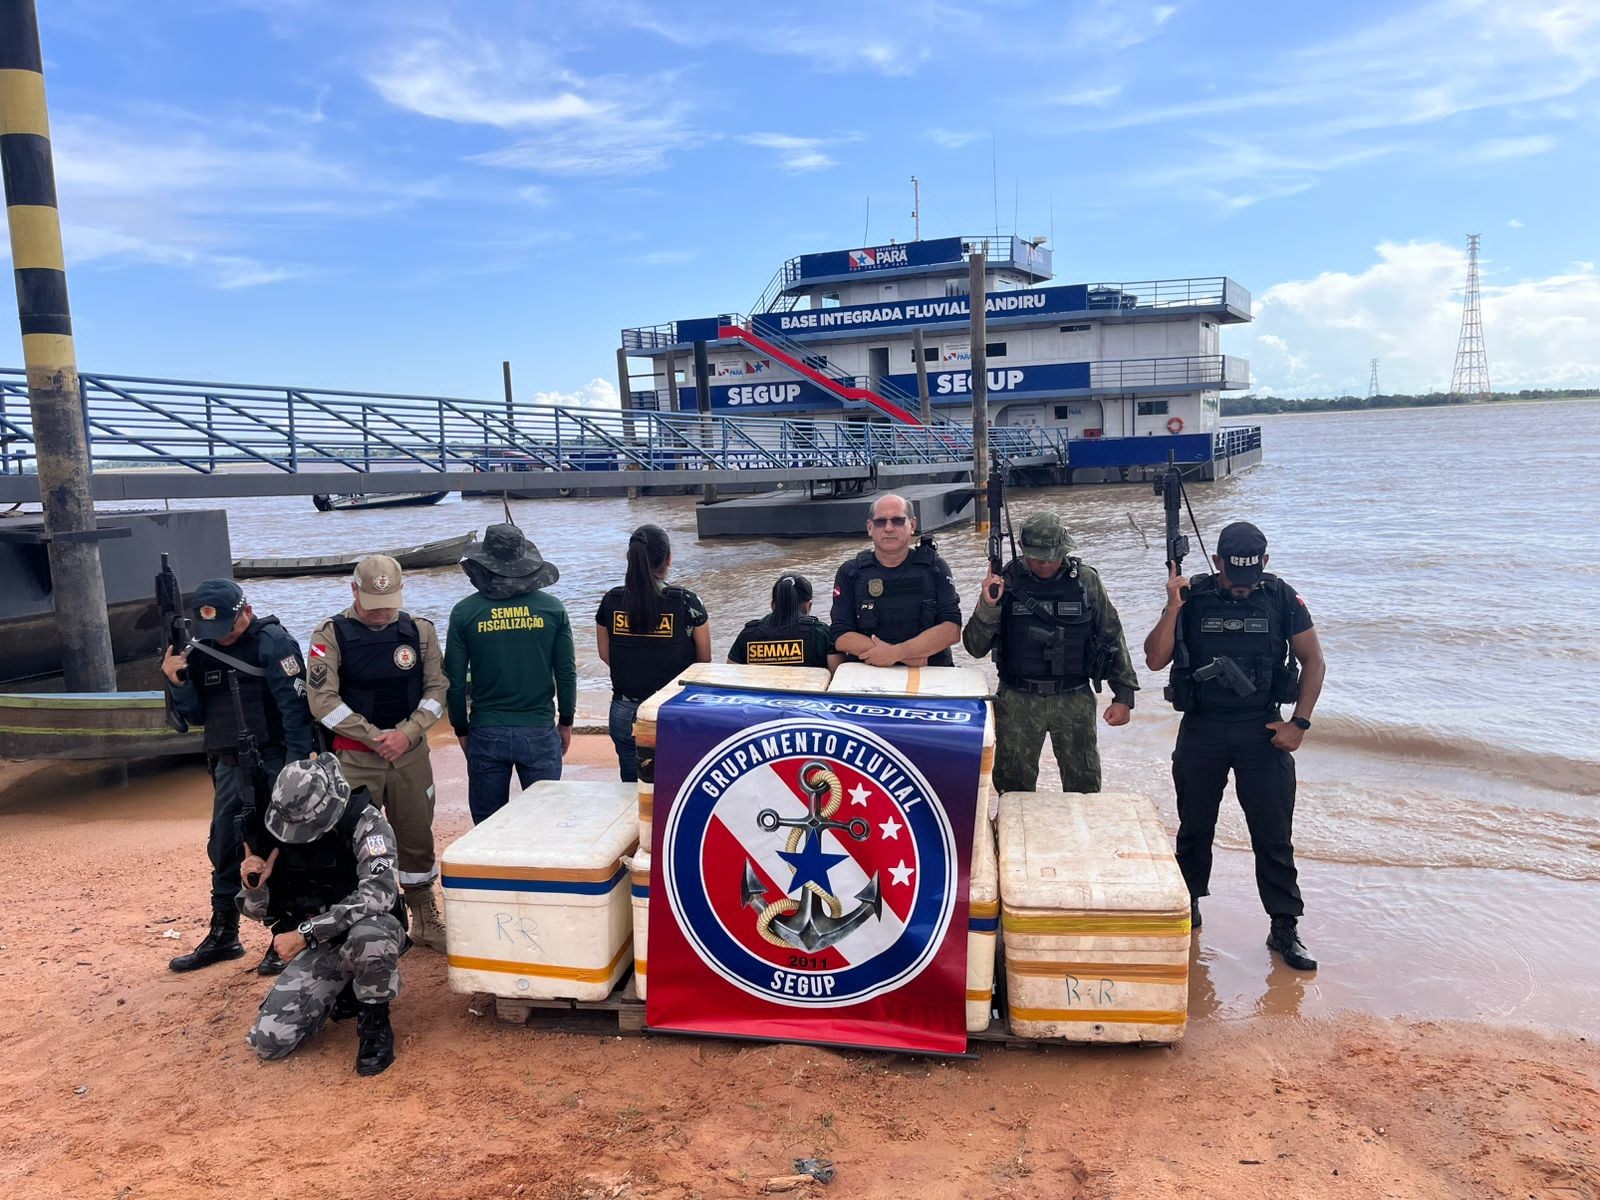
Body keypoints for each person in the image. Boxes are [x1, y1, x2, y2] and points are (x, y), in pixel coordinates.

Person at [1143, 520, 1326, 972]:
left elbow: (1313, 660)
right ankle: (1187, 906)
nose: (1242, 586)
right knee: (1194, 828)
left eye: (1251, 575)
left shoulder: (1281, 597)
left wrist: (1299, 724)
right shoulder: (1193, 596)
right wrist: (1172, 606)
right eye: (1233, 575)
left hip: (1261, 731)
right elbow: (1155, 658)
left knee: (1273, 834)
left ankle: (1284, 926)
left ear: (1264, 562)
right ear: (1217, 562)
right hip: (1202, 729)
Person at [161, 578, 313, 976]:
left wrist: (294, 774)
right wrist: (177, 682)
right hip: (227, 765)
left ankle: (284, 935)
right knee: (225, 847)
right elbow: (195, 716)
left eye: (228, 627)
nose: (223, 636)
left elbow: (296, 713)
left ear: (247, 611)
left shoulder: (273, 643)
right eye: (214, 629)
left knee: (280, 846)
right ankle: (223, 934)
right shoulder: (202, 648)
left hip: (273, 760)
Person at [306, 556, 449, 951]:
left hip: (409, 756)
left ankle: (424, 918)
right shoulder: (329, 635)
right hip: (354, 759)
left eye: (389, 604)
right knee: (352, 841)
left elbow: (437, 690)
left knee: (416, 836)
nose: (382, 613)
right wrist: (373, 737)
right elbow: (323, 702)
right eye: (373, 604)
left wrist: (408, 732)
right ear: (354, 590)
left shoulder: (419, 631)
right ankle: (359, 922)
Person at [238, 755, 407, 1077]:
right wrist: (254, 887)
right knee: (270, 1041)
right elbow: (255, 913)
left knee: (370, 938)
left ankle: (375, 1021)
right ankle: (343, 988)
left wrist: (306, 933)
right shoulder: (276, 831)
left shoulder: (368, 824)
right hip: (320, 944)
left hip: (365, 928)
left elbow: (379, 895)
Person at [962, 511, 1139, 793]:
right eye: (1037, 557)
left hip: (1074, 698)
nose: (1044, 563)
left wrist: (1124, 696)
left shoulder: (1085, 581)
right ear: (1022, 548)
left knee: (1084, 787)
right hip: (1018, 700)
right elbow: (974, 647)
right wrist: (989, 606)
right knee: (1012, 788)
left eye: (1051, 557)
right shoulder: (1005, 582)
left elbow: (1111, 634)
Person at [445, 524, 575, 824]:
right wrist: (566, 721)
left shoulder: (464, 612)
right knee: (545, 824)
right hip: (539, 730)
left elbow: (454, 681)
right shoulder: (552, 609)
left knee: (488, 827)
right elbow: (566, 673)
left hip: (486, 731)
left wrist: (461, 728)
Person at [595, 523, 710, 782]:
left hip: (625, 710)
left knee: (631, 789)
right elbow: (703, 662)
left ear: (630, 559)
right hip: (673, 710)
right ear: (668, 559)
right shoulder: (687, 602)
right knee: (676, 786)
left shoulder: (611, 601)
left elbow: (605, 653)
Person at [830, 493, 961, 668]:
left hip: (930, 672)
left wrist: (898, 653)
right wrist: (898, 656)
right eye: (880, 522)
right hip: (870, 672)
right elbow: (840, 635)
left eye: (898, 521)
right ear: (870, 528)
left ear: (912, 525)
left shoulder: (935, 568)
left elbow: (952, 629)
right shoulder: (851, 573)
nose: (889, 528)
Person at [728, 573, 841, 671]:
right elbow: (837, 675)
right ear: (809, 605)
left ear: (772, 605)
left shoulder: (748, 633)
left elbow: (730, 673)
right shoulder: (820, 633)